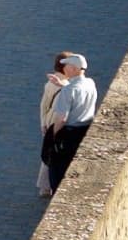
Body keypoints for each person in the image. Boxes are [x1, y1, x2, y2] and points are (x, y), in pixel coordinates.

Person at [45, 54, 97, 193]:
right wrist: (62, 85)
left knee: (57, 168)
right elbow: (77, 89)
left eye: (66, 66)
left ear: (74, 68)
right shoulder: (90, 83)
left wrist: (54, 136)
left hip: (69, 133)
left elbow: (61, 118)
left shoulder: (69, 90)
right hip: (85, 130)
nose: (64, 68)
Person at [37, 52, 73, 198]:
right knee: (55, 152)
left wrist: (43, 123)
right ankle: (49, 185)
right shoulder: (65, 84)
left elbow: (43, 105)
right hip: (58, 121)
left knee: (49, 152)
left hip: (49, 120)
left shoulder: (50, 83)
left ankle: (44, 186)